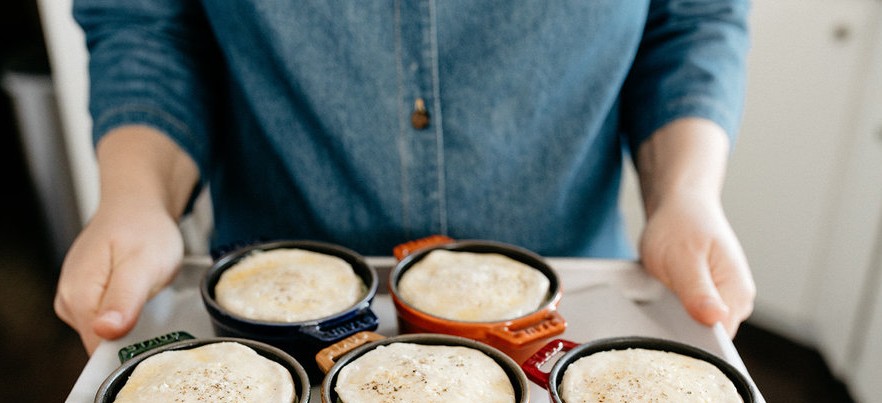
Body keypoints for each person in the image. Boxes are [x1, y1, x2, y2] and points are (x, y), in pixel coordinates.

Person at [54, 1, 756, 354]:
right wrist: (135, 199)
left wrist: (685, 193)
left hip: (569, 307)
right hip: (274, 315)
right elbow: (148, 25)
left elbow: (692, 19)